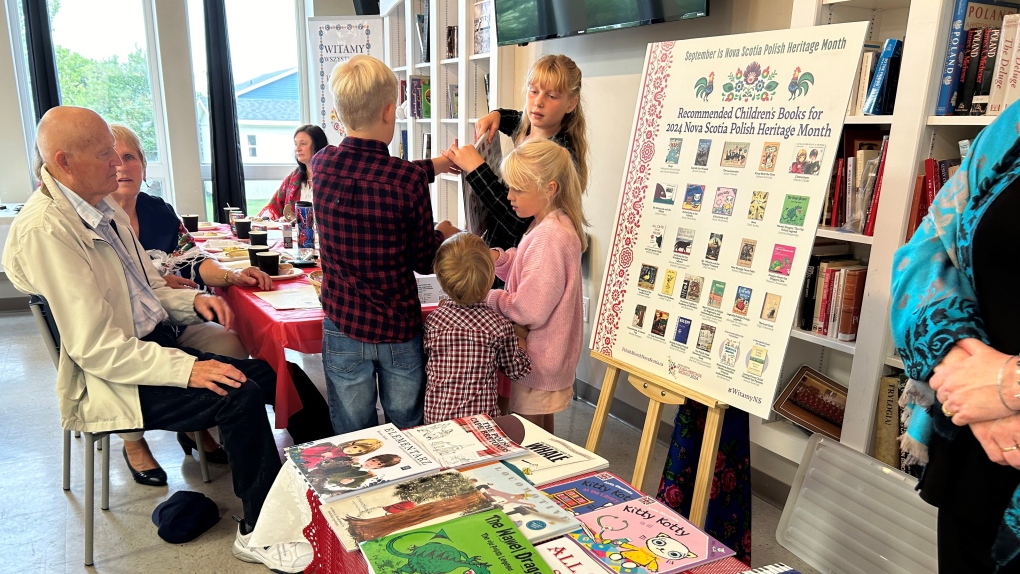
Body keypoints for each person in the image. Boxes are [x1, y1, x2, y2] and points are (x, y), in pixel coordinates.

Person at [3, 106, 311, 573]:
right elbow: (97, 350)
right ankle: (259, 531)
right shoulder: (48, 230)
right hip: (111, 377)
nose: (119, 165)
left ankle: (322, 482)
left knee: (270, 374)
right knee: (238, 395)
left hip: (148, 347)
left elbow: (153, 291)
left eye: (123, 154)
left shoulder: (102, 209)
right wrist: (190, 367)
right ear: (64, 162)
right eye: (107, 154)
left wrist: (196, 304)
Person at [891, 101, 1020, 573]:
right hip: (976, 453)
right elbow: (925, 252)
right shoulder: (1011, 130)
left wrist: (1006, 387)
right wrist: (960, 373)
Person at [109, 123, 273, 482]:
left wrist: (232, 275)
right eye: (113, 158)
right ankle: (134, 442)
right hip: (130, 333)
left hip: (176, 321)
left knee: (230, 341)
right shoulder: (97, 221)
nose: (122, 166)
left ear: (143, 165)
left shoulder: (158, 210)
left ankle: (200, 426)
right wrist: (154, 283)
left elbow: (195, 260)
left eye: (130, 157)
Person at [312, 55, 459, 435]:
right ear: (390, 111)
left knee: (352, 433)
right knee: (409, 427)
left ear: (339, 114)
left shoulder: (322, 165)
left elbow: (375, 172)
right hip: (399, 327)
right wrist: (442, 231)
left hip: (343, 326)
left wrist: (436, 164)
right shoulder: (407, 181)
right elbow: (424, 260)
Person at [485, 139, 586, 433]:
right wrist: (501, 259)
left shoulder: (549, 236)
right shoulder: (553, 224)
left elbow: (529, 309)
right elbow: (530, 268)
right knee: (543, 433)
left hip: (537, 359)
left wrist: (488, 296)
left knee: (529, 439)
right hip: (548, 358)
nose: (509, 196)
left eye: (518, 189)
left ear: (549, 188)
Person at [443, 54, 590, 251]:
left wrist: (476, 169)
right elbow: (516, 118)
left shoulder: (555, 154)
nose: (538, 102)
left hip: (521, 257)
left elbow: (515, 220)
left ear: (571, 103)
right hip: (499, 252)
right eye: (533, 91)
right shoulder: (528, 130)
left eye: (551, 96)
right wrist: (497, 115)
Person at [423, 232, 532, 424]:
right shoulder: (499, 326)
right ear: (490, 278)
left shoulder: (434, 322)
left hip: (436, 422)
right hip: (481, 424)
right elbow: (517, 370)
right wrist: (521, 339)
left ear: (441, 279)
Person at [258, 124, 329, 220]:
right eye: (296, 144)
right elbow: (274, 207)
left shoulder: (331, 178)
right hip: (295, 234)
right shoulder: (293, 178)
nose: (297, 148)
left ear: (317, 146)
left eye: (303, 143)